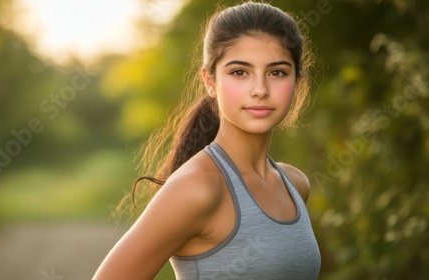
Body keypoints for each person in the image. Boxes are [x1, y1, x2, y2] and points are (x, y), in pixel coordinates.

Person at [93, 1, 321, 279]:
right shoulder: (197, 188)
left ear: (297, 81)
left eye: (277, 72)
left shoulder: (295, 184)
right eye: (240, 72)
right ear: (210, 81)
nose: (260, 89)